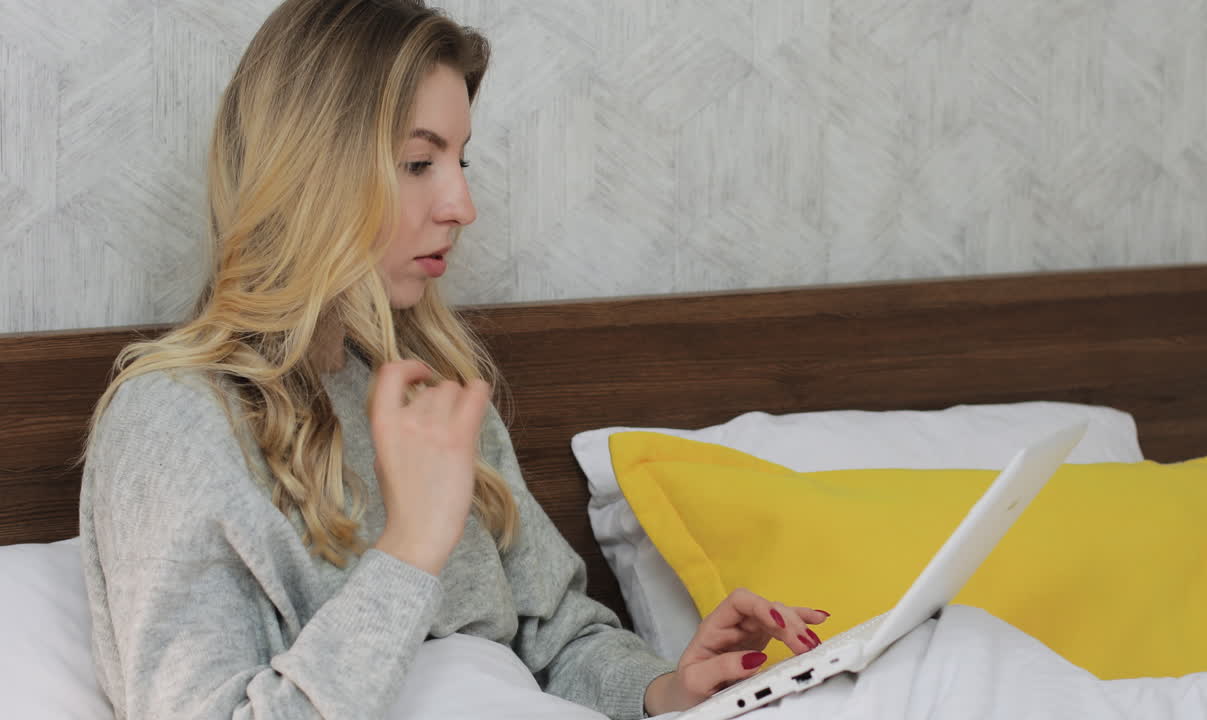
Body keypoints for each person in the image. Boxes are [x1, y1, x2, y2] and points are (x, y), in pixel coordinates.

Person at [78, 1, 828, 718]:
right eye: (417, 162)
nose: (462, 205)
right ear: (309, 171)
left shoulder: (428, 389)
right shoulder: (176, 420)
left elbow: (558, 641)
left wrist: (666, 691)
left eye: (459, 159)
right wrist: (410, 548)